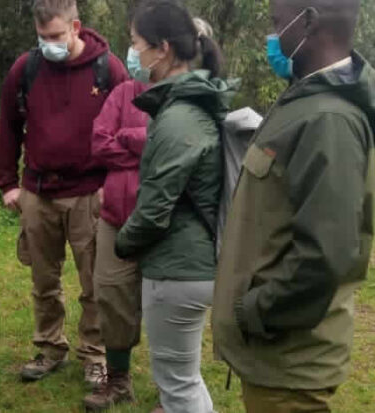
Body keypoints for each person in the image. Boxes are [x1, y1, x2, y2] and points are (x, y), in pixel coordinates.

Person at [212, 0, 375, 412]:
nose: (271, 35)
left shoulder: (328, 121)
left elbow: (326, 254)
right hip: (276, 355)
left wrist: (255, 311)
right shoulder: (303, 102)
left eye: (276, 22)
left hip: (289, 361)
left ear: (308, 22)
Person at [0, 0, 128, 386]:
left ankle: (95, 355)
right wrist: (7, 184)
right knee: (43, 281)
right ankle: (50, 348)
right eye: (42, 37)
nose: (48, 44)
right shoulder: (26, 68)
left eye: (55, 36)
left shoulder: (108, 69)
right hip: (38, 190)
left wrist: (112, 184)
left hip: (90, 192)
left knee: (95, 283)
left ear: (76, 27)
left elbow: (128, 128)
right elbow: (8, 128)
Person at [114, 1, 237, 412]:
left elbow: (154, 209)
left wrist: (123, 242)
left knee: (178, 387)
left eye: (135, 43)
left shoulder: (178, 117)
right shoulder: (195, 105)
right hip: (196, 261)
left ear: (162, 48)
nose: (133, 54)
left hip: (177, 268)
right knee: (185, 380)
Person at [82, 76, 149, 409]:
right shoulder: (124, 92)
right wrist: (143, 152)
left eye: (139, 42)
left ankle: (178, 389)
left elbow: (176, 147)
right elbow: (99, 142)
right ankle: (119, 379)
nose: (136, 51)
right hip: (116, 214)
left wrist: (128, 137)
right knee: (110, 291)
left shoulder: (186, 94)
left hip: (166, 218)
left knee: (167, 301)